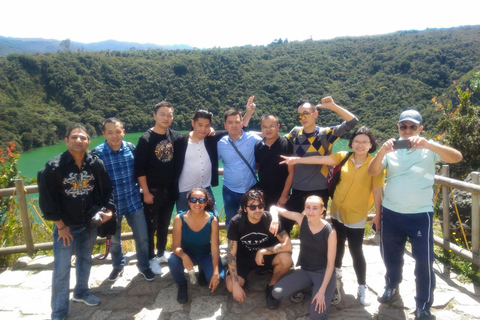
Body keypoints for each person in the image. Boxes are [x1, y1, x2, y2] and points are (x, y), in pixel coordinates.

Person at [368, 110, 462, 320]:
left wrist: (429, 145)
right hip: (392, 213)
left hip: (420, 215)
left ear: (421, 128)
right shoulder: (390, 151)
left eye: (413, 127)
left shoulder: (429, 149)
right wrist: (381, 152)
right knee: (390, 256)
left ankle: (423, 305)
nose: (408, 131)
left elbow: (457, 157)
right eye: (403, 127)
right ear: (398, 128)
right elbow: (372, 172)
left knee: (423, 262)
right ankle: (392, 284)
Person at [280, 126, 385, 306]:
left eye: (364, 142)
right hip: (336, 211)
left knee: (356, 250)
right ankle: (336, 273)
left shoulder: (375, 165)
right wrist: (296, 160)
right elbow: (320, 159)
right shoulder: (343, 156)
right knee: (337, 244)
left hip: (357, 215)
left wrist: (377, 215)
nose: (360, 145)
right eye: (357, 141)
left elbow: (377, 192)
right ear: (351, 143)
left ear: (371, 145)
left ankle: (361, 286)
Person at [39, 124, 115, 320]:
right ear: (66, 141)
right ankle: (59, 312)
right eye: (74, 137)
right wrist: (61, 227)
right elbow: (47, 201)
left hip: (89, 225)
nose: (78, 140)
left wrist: (108, 210)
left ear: (88, 141)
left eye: (83, 137)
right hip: (66, 227)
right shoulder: (54, 167)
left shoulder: (96, 164)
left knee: (85, 261)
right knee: (62, 269)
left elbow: (107, 190)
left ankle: (81, 292)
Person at [284, 96, 358, 235]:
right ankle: (284, 254)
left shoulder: (325, 134)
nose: (303, 117)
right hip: (298, 189)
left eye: (306, 113)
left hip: (319, 189)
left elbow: (352, 122)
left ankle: (318, 255)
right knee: (284, 223)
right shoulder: (295, 132)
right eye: (300, 115)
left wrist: (333, 106)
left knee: (318, 230)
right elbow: (278, 143)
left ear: (315, 113)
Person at [91, 118, 154, 282]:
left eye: (118, 131)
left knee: (142, 237)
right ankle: (117, 266)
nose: (114, 136)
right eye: (110, 132)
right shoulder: (97, 154)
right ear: (103, 133)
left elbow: (141, 171)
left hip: (133, 200)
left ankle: (144, 266)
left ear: (123, 132)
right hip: (112, 206)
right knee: (115, 241)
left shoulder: (131, 148)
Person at [270, 196, 337, 320]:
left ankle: (330, 287)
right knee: (276, 292)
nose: (310, 211)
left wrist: (322, 292)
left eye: (315, 208)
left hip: (323, 273)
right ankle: (310, 286)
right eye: (308, 207)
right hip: (305, 270)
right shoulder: (301, 219)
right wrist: (274, 219)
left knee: (317, 316)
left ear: (322, 210)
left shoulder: (330, 231)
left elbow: (330, 265)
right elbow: (274, 208)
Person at [174, 108, 252, 213]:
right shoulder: (180, 141)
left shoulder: (211, 139)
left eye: (207, 126)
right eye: (200, 125)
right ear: (193, 123)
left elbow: (235, 130)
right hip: (184, 192)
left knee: (212, 221)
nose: (203, 129)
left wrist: (249, 113)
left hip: (206, 190)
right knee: (184, 224)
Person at [135, 100, 182, 274]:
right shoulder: (146, 139)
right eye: (162, 114)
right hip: (151, 192)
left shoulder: (175, 137)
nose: (166, 118)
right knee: (150, 226)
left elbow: (197, 135)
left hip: (169, 191)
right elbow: (139, 168)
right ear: (154, 115)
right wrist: (145, 192)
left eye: (169, 115)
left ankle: (161, 253)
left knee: (164, 224)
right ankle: (150, 257)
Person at [226, 189, 293, 309]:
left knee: (286, 259)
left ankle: (272, 286)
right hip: (244, 259)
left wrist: (263, 251)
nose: (257, 210)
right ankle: (243, 278)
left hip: (265, 257)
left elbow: (288, 245)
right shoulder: (236, 222)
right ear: (245, 209)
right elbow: (231, 254)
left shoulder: (269, 219)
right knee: (231, 286)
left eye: (260, 206)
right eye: (252, 207)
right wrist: (236, 285)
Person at [168, 187, 225, 303]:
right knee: (173, 261)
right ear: (189, 202)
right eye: (193, 200)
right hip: (188, 254)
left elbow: (214, 250)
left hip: (206, 254)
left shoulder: (212, 220)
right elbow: (175, 246)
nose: (197, 203)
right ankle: (182, 284)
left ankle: (204, 270)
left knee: (220, 278)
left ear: (206, 203)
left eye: (201, 200)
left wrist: (215, 273)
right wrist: (184, 256)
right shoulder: (180, 218)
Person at [218, 96, 259, 229]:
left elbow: (270, 140)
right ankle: (233, 248)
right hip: (230, 190)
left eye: (237, 122)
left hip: (250, 188)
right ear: (225, 125)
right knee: (231, 221)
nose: (234, 125)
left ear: (242, 123)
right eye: (230, 122)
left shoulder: (253, 139)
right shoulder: (220, 143)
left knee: (253, 220)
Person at [254, 114, 294, 209]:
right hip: (263, 195)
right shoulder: (258, 146)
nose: (268, 130)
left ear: (278, 126)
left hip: (281, 194)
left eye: (272, 126)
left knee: (282, 223)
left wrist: (284, 196)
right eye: (265, 127)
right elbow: (258, 166)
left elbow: (291, 173)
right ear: (261, 128)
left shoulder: (286, 144)